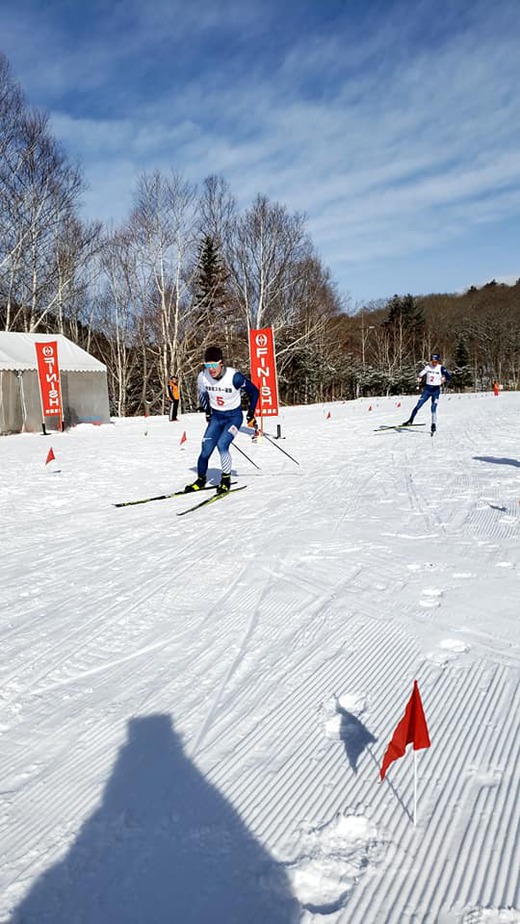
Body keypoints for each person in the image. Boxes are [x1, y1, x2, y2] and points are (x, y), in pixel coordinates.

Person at [185, 346, 259, 494]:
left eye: (213, 365)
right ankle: (200, 480)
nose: (211, 369)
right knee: (205, 448)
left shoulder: (234, 377)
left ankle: (226, 479)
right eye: (207, 365)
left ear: (221, 363)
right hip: (217, 417)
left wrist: (251, 414)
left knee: (222, 444)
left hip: (234, 417)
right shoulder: (203, 376)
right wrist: (208, 412)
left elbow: (254, 392)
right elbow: (203, 395)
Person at [402, 352, 451, 434]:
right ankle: (410, 420)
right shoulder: (428, 367)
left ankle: (433, 424)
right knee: (418, 405)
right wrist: (418, 378)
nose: (434, 363)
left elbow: (449, 377)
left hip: (436, 390)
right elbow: (420, 374)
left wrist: (444, 378)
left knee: (433, 408)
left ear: (438, 361)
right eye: (432, 361)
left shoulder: (441, 368)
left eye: (435, 361)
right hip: (427, 390)